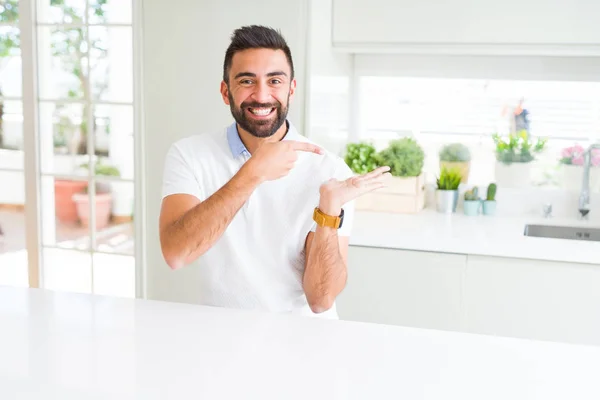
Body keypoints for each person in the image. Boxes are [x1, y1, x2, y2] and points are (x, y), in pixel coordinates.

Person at [159, 25, 389, 319]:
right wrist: (252, 172)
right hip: (220, 338)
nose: (262, 95)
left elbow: (320, 299)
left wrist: (329, 209)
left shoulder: (328, 170)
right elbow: (176, 254)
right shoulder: (189, 155)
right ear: (225, 91)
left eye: (275, 80)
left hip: (302, 343)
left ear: (291, 88)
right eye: (246, 81)